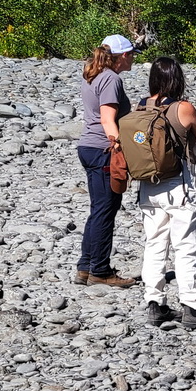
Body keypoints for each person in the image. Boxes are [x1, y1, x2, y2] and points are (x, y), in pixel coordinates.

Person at [134, 57, 196, 330]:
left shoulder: (141, 105)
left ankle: (155, 304)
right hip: (178, 184)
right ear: (177, 78)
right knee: (186, 246)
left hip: (148, 184)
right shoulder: (183, 107)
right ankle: (192, 307)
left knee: (154, 244)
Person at [76, 34, 138, 287]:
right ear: (123, 56)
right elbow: (107, 118)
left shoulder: (94, 75)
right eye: (132, 54)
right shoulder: (111, 79)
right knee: (105, 211)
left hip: (88, 146)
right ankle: (100, 270)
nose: (133, 58)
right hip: (103, 148)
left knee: (98, 209)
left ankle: (86, 265)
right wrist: (118, 145)